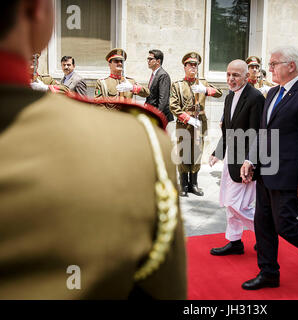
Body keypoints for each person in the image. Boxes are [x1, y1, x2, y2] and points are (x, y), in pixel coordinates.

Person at [0, 0, 186, 299]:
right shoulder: (141, 140)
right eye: (115, 62)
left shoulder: (134, 85)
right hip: (109, 137)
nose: (119, 66)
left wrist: (135, 90)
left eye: (121, 62)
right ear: (36, 9)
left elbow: (148, 97)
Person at [240, 46, 298, 290]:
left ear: (291, 66)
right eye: (269, 64)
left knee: (285, 225)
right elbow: (263, 133)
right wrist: (250, 160)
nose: (268, 68)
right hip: (266, 172)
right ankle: (268, 272)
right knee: (263, 224)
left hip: (290, 175)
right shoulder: (272, 93)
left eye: (274, 63)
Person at [209, 60, 265, 256]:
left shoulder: (256, 97)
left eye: (236, 75)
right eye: (228, 74)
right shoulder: (229, 96)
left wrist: (250, 162)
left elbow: (258, 134)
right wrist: (218, 151)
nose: (231, 79)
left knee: (236, 205)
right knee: (228, 203)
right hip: (230, 160)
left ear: (246, 76)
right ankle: (235, 242)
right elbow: (228, 130)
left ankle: (265, 233)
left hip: (245, 164)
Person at [170, 52, 222, 197]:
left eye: (195, 65)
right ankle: (183, 184)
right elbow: (173, 106)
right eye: (190, 65)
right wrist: (188, 118)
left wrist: (205, 90)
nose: (193, 67)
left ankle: (194, 184)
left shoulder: (202, 83)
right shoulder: (178, 85)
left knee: (197, 152)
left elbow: (219, 93)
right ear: (185, 67)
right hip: (184, 124)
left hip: (200, 124)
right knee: (183, 152)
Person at [145, 49, 173, 122]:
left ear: (158, 61)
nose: (148, 61)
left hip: (160, 117)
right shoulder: (155, 74)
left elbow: (163, 100)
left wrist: (157, 116)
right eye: (148, 59)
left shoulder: (163, 75)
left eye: (151, 59)